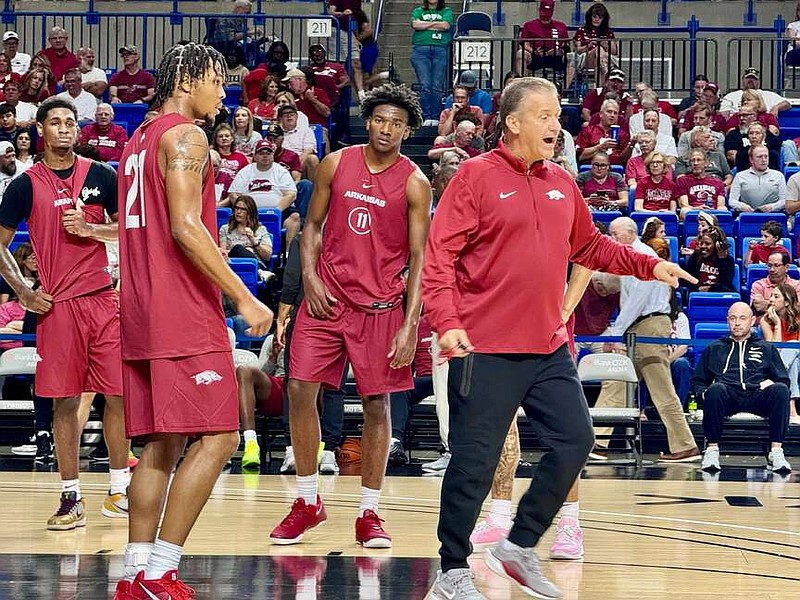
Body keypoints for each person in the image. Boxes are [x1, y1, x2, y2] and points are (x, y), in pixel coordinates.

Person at [422, 77, 695, 600]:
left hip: (547, 347)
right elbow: (440, 259)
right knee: (474, 462)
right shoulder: (475, 178)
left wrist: (649, 264)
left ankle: (519, 544)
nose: (556, 124)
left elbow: (591, 247)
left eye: (556, 115)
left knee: (576, 440)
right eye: (543, 116)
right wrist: (447, 320)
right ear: (513, 123)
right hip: (485, 348)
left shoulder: (563, 183)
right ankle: (452, 569)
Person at [113, 42, 273, 598]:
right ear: (186, 78)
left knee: (160, 444)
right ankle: (161, 569)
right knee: (222, 438)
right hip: (180, 310)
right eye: (218, 80)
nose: (224, 92)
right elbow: (184, 225)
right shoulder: (188, 136)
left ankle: (134, 573)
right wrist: (243, 298)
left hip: (137, 312)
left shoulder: (136, 141)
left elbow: (143, 225)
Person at [268, 83, 431, 549]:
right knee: (299, 388)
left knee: (378, 404)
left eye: (396, 123)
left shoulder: (415, 182)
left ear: (407, 130)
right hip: (326, 301)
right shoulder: (337, 163)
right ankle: (306, 501)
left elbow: (420, 260)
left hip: (380, 309)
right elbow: (310, 226)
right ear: (368, 120)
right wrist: (312, 280)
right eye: (380, 119)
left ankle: (370, 512)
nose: (386, 128)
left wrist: (409, 323)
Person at [0, 96, 129, 531]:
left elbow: (131, 230)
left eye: (70, 122)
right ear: (40, 130)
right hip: (57, 307)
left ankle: (118, 489)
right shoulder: (24, 185)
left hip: (103, 300)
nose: (63, 128)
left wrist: (93, 229)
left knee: (118, 395)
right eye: (54, 122)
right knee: (64, 402)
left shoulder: (102, 174)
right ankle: (70, 496)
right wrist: (22, 290)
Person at [590, 217, 701, 464]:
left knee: (661, 388)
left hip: (649, 325)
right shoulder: (630, 256)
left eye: (614, 234)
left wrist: (616, 334)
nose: (611, 238)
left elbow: (636, 302)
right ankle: (596, 441)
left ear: (628, 234)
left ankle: (686, 446)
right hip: (639, 325)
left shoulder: (644, 255)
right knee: (616, 380)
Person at [695, 302, 792, 473]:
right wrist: (703, 394)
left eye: (742, 318)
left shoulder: (766, 348)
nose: (737, 323)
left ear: (752, 321)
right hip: (728, 395)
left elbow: (783, 380)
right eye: (733, 318)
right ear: (727, 321)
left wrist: (772, 383)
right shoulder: (714, 348)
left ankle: (776, 451)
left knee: (780, 390)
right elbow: (698, 381)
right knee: (715, 390)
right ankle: (711, 450)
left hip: (757, 395)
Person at [227, 138, 300, 246]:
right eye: (261, 153)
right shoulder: (246, 171)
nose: (265, 156)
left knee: (294, 217)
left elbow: (291, 195)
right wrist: (247, 209)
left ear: (273, 155)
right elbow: (233, 195)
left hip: (278, 211)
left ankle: (288, 253)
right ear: (255, 156)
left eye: (268, 153)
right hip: (249, 212)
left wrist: (275, 212)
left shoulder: (281, 171)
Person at [760, 283, 800, 426]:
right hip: (782, 361)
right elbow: (773, 350)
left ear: (787, 302)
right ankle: (792, 410)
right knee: (793, 364)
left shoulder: (799, 318)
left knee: (793, 344)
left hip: (790, 359)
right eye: (771, 295)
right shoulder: (766, 320)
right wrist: (777, 324)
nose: (771, 299)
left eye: (776, 296)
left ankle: (775, 377)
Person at [410, 0, 453, 126]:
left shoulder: (447, 11)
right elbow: (415, 25)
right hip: (420, 50)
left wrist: (425, 24)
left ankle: (435, 116)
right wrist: (435, 24)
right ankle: (426, 116)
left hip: (440, 49)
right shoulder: (418, 10)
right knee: (425, 84)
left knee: (437, 85)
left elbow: (445, 26)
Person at [219, 193, 273, 271]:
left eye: (242, 209)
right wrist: (244, 251)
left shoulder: (260, 229)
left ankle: (259, 271)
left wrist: (253, 241)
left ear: (250, 212)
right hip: (233, 265)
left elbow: (267, 256)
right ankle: (261, 273)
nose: (238, 212)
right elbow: (223, 253)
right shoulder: (225, 229)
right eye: (236, 208)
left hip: (255, 265)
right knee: (238, 248)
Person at [517, 0, 569, 79]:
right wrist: (534, 51)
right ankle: (522, 82)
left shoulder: (561, 26)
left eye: (548, 11)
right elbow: (524, 44)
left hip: (556, 57)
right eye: (543, 10)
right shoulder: (529, 25)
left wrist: (559, 51)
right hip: (536, 56)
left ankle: (565, 88)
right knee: (521, 53)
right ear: (539, 10)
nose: (545, 14)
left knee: (571, 58)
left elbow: (566, 45)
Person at [728, 145, 786, 213]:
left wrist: (772, 207)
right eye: (760, 157)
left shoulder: (779, 176)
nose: (764, 160)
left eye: (766, 156)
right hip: (747, 216)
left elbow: (784, 201)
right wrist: (742, 206)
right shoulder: (740, 176)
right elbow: (732, 201)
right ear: (751, 159)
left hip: (773, 216)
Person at [572, 2, 617, 85]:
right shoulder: (582, 30)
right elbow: (577, 50)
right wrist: (588, 45)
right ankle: (606, 71)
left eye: (600, 17)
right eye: (594, 17)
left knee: (599, 57)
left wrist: (605, 44)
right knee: (598, 49)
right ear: (590, 17)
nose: (597, 19)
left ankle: (599, 90)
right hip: (586, 59)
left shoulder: (608, 32)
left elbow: (614, 51)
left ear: (604, 19)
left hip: (601, 60)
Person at [674, 149, 727, 219]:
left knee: (724, 210)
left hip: (713, 213)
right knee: (684, 210)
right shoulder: (682, 180)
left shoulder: (718, 182)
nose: (695, 163)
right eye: (693, 160)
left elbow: (721, 205)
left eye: (699, 160)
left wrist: (711, 211)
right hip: (693, 212)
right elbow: (684, 205)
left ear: (706, 163)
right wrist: (697, 208)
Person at [750, 251, 800, 316]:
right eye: (769, 265)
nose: (772, 269)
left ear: (786, 267)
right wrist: (785, 304)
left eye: (777, 265)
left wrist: (766, 303)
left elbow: (797, 308)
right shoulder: (758, 285)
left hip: (790, 323)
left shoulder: (797, 285)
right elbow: (758, 306)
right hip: (764, 322)